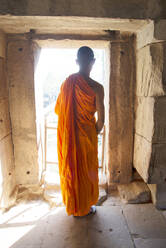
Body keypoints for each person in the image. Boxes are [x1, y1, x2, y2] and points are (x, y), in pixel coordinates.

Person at [54, 46, 105, 217]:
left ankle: (75, 206)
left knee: (72, 170)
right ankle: (85, 206)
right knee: (87, 171)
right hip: (88, 136)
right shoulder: (98, 88)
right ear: (93, 62)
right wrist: (92, 132)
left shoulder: (68, 83)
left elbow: (60, 111)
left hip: (70, 136)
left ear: (77, 62)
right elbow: (101, 121)